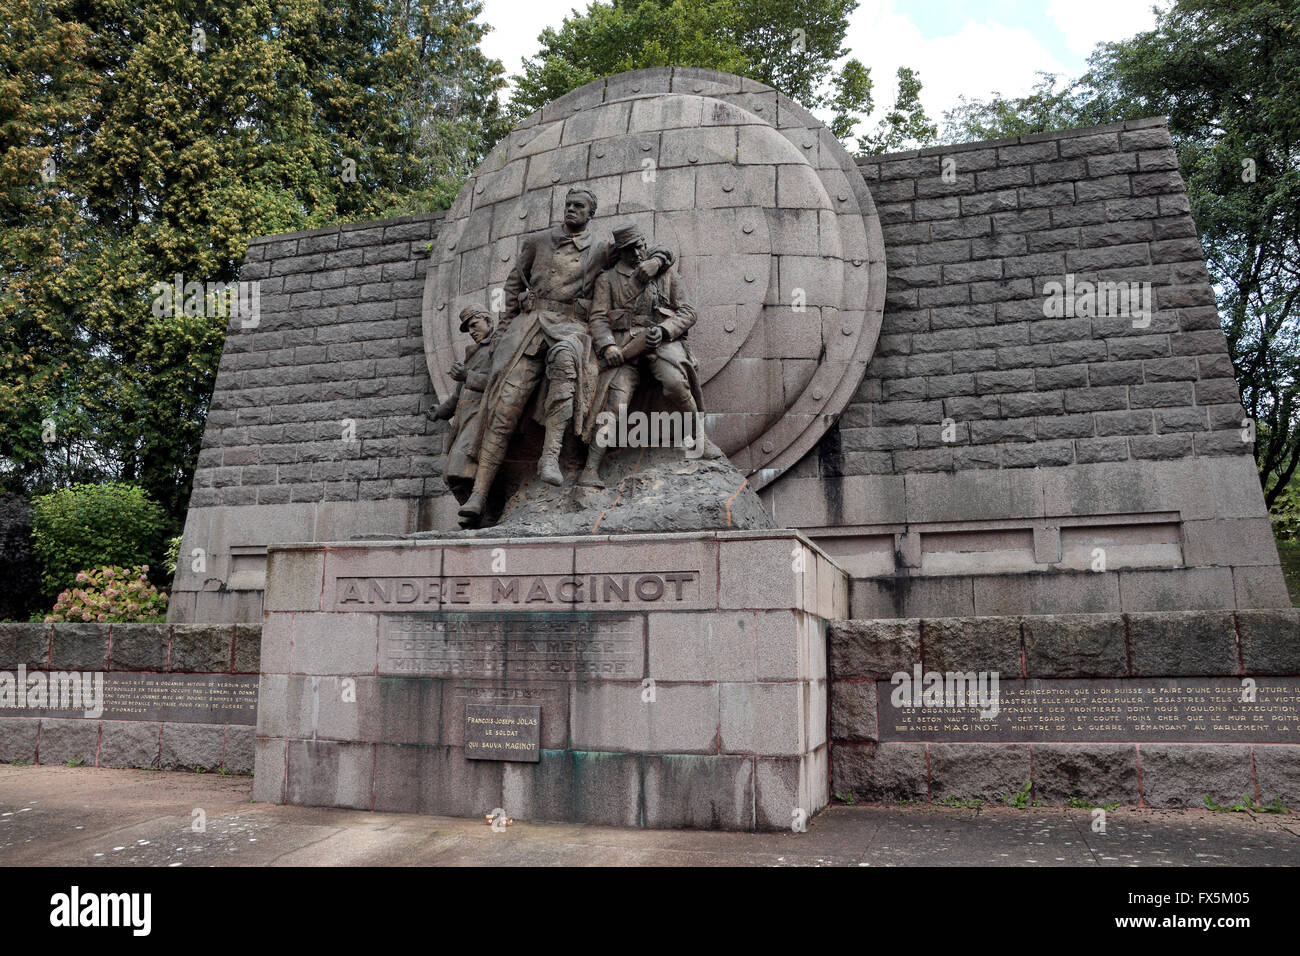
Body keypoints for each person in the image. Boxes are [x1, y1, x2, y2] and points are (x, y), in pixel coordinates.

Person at [457, 186, 673, 527]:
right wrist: (501, 338)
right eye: (568, 205)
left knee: (565, 363)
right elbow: (513, 288)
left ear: (591, 213)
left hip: (571, 328)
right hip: (528, 328)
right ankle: (479, 495)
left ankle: (550, 457)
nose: (571, 210)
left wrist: (656, 260)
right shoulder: (538, 242)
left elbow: (643, 247)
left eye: (579, 206)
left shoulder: (602, 248)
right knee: (504, 406)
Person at [579, 224, 721, 488]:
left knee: (676, 383)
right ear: (619, 252)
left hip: (661, 343)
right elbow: (597, 319)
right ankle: (590, 469)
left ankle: (700, 440)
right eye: (629, 248)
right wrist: (608, 346)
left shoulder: (666, 275)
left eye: (640, 245)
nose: (637, 252)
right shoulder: (606, 280)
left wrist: (665, 330)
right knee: (614, 403)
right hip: (624, 347)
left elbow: (688, 312)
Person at [430, 308, 496, 504]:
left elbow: (501, 382)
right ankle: (473, 516)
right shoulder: (473, 354)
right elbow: (458, 395)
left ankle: (486, 511)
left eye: (474, 325)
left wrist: (468, 376)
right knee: (452, 476)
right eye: (468, 328)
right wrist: (440, 411)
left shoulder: (498, 345)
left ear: (488, 321)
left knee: (460, 470)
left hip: (481, 418)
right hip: (463, 420)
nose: (472, 331)